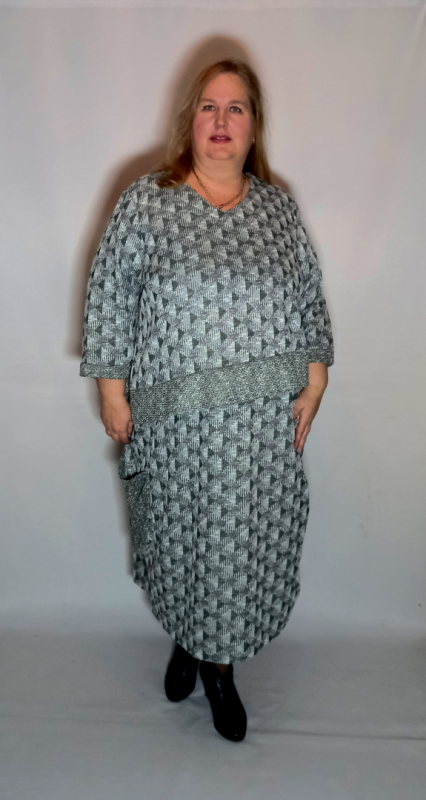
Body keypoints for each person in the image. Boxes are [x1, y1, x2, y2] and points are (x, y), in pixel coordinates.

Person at [80, 59, 334, 743]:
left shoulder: (278, 211)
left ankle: (219, 667)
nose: (222, 120)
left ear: (254, 127)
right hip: (175, 424)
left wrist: (315, 378)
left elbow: (308, 300)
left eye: (237, 108)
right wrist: (111, 390)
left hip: (259, 427)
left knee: (238, 546)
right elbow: (109, 297)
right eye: (209, 107)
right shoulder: (148, 202)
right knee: (179, 536)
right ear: (190, 121)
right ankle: (189, 641)